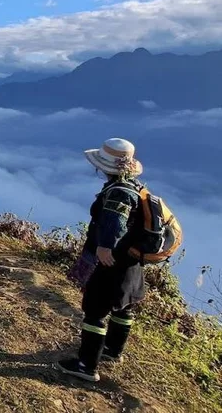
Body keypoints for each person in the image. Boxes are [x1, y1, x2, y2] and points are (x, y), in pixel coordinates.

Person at [55, 138, 146, 382]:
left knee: (95, 310)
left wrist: (105, 248)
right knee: (123, 304)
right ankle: (113, 350)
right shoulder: (136, 187)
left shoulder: (117, 192)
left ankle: (86, 365)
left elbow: (115, 222)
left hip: (112, 259)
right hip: (132, 259)